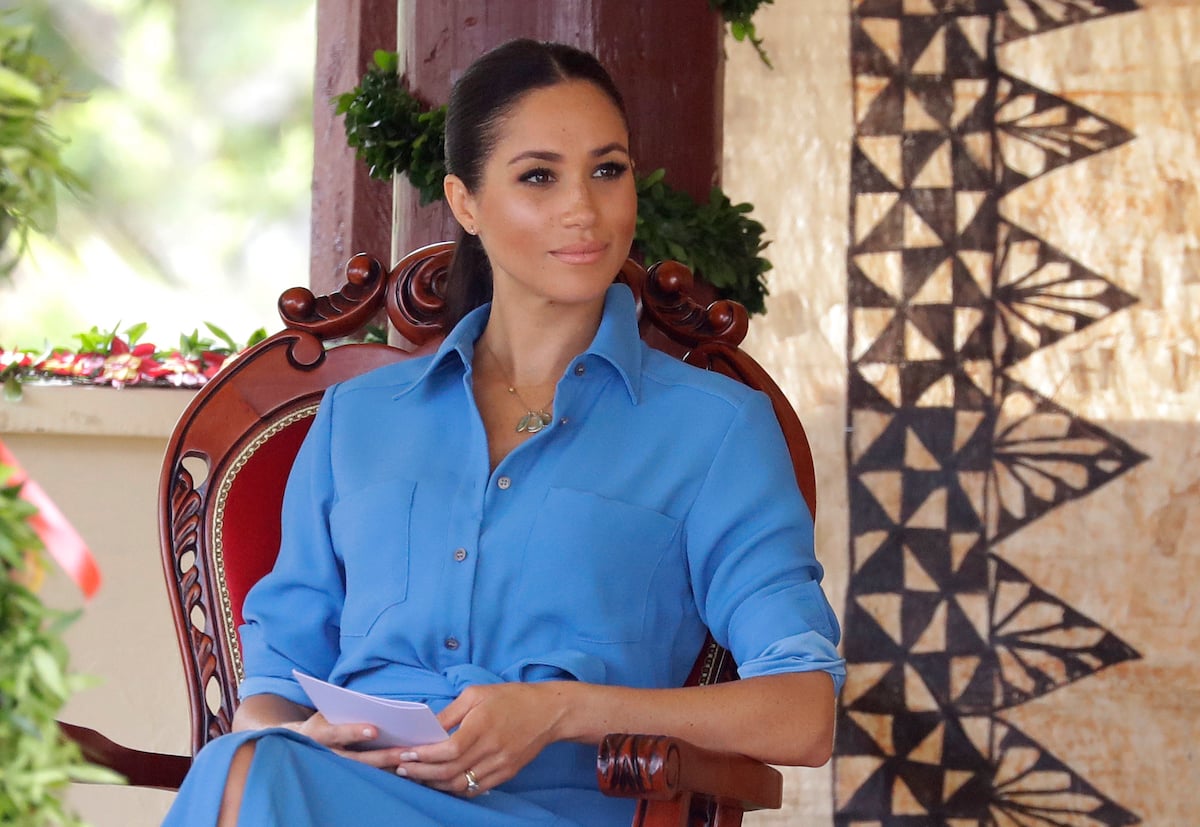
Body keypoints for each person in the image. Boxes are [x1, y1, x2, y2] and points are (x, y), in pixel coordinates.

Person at [161, 38, 845, 827]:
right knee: (252, 763)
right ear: (465, 202)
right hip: (334, 794)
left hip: (554, 810)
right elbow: (272, 684)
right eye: (538, 177)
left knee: (252, 778)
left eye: (607, 169)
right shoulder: (356, 421)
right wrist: (308, 737)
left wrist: (561, 709)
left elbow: (803, 712)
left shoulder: (714, 429)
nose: (582, 208)